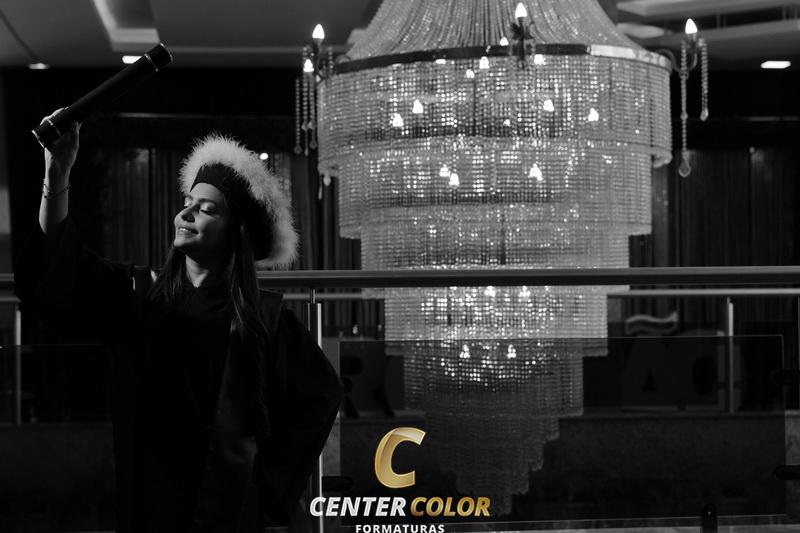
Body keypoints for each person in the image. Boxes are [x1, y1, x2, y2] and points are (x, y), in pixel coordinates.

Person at [14, 111, 344, 532]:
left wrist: (265, 490)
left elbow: (320, 398)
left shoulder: (265, 318)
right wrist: (57, 175)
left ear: (236, 233)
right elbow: (58, 270)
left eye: (205, 209)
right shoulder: (138, 295)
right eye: (187, 203)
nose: (185, 214)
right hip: (148, 504)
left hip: (226, 511)